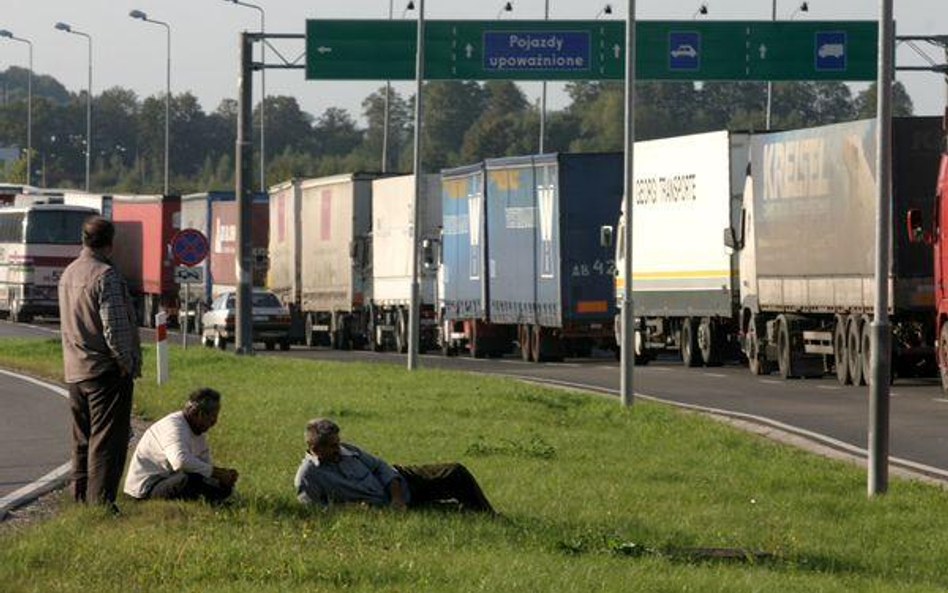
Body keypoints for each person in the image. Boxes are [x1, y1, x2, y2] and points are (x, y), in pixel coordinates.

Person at [59, 216, 142, 507]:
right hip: (105, 371)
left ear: (83, 240)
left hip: (75, 370)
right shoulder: (105, 275)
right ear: (110, 242)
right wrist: (126, 362)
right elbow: (115, 329)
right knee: (107, 441)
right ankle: (102, 503)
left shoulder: (69, 273)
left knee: (82, 439)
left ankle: (80, 497)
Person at [294, 418, 494, 514]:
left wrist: (397, 497)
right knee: (450, 514)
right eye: (332, 446)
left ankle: (489, 516)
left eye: (338, 443)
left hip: (402, 482)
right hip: (382, 509)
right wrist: (348, 508)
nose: (338, 448)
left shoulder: (347, 450)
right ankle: (470, 514)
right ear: (315, 448)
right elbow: (312, 509)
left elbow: (381, 467)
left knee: (455, 473)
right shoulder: (308, 475)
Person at [124, 388, 239, 502]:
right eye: (213, 417)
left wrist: (224, 476)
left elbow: (203, 466)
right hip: (146, 489)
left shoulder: (197, 431)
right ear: (199, 414)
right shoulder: (173, 426)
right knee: (188, 479)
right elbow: (180, 461)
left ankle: (214, 501)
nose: (214, 422)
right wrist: (217, 473)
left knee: (221, 485)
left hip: (169, 478)